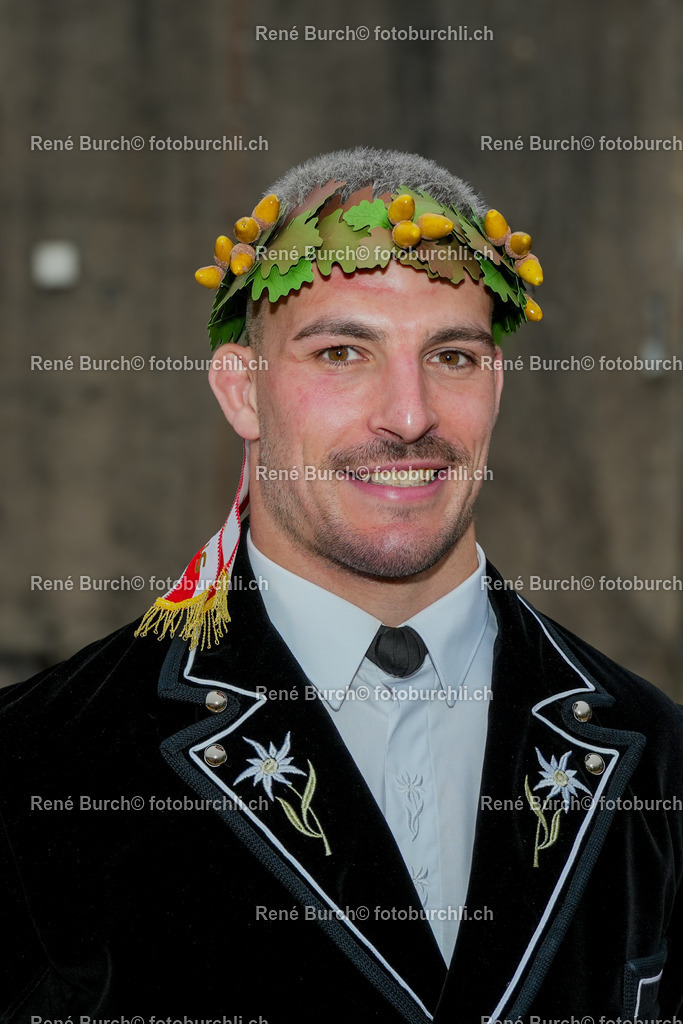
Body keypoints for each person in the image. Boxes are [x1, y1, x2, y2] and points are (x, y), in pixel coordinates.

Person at [1, 148, 681, 1024]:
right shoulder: (39, 765)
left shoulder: (654, 752)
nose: (408, 415)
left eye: (454, 356)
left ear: (496, 386)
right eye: (341, 352)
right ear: (242, 391)